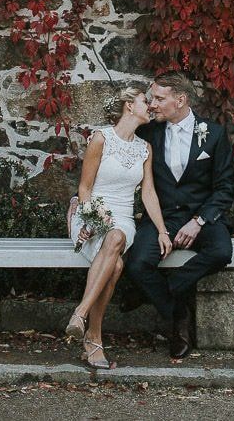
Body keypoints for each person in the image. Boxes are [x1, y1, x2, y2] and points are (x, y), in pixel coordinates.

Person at [126, 71, 234, 359]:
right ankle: (178, 315)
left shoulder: (214, 134)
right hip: (162, 218)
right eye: (151, 99)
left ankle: (166, 290)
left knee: (222, 251)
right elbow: (117, 158)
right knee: (137, 264)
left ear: (181, 99)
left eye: (159, 99)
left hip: (200, 217)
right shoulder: (147, 131)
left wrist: (199, 221)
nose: (152, 105)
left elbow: (225, 188)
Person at [65, 85, 172, 369]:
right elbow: (85, 187)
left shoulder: (144, 148)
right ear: (129, 105)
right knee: (115, 266)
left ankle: (80, 312)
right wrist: (89, 219)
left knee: (116, 237)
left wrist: (162, 230)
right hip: (91, 214)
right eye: (144, 101)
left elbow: (148, 193)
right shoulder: (101, 139)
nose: (150, 106)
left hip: (123, 218)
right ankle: (94, 337)